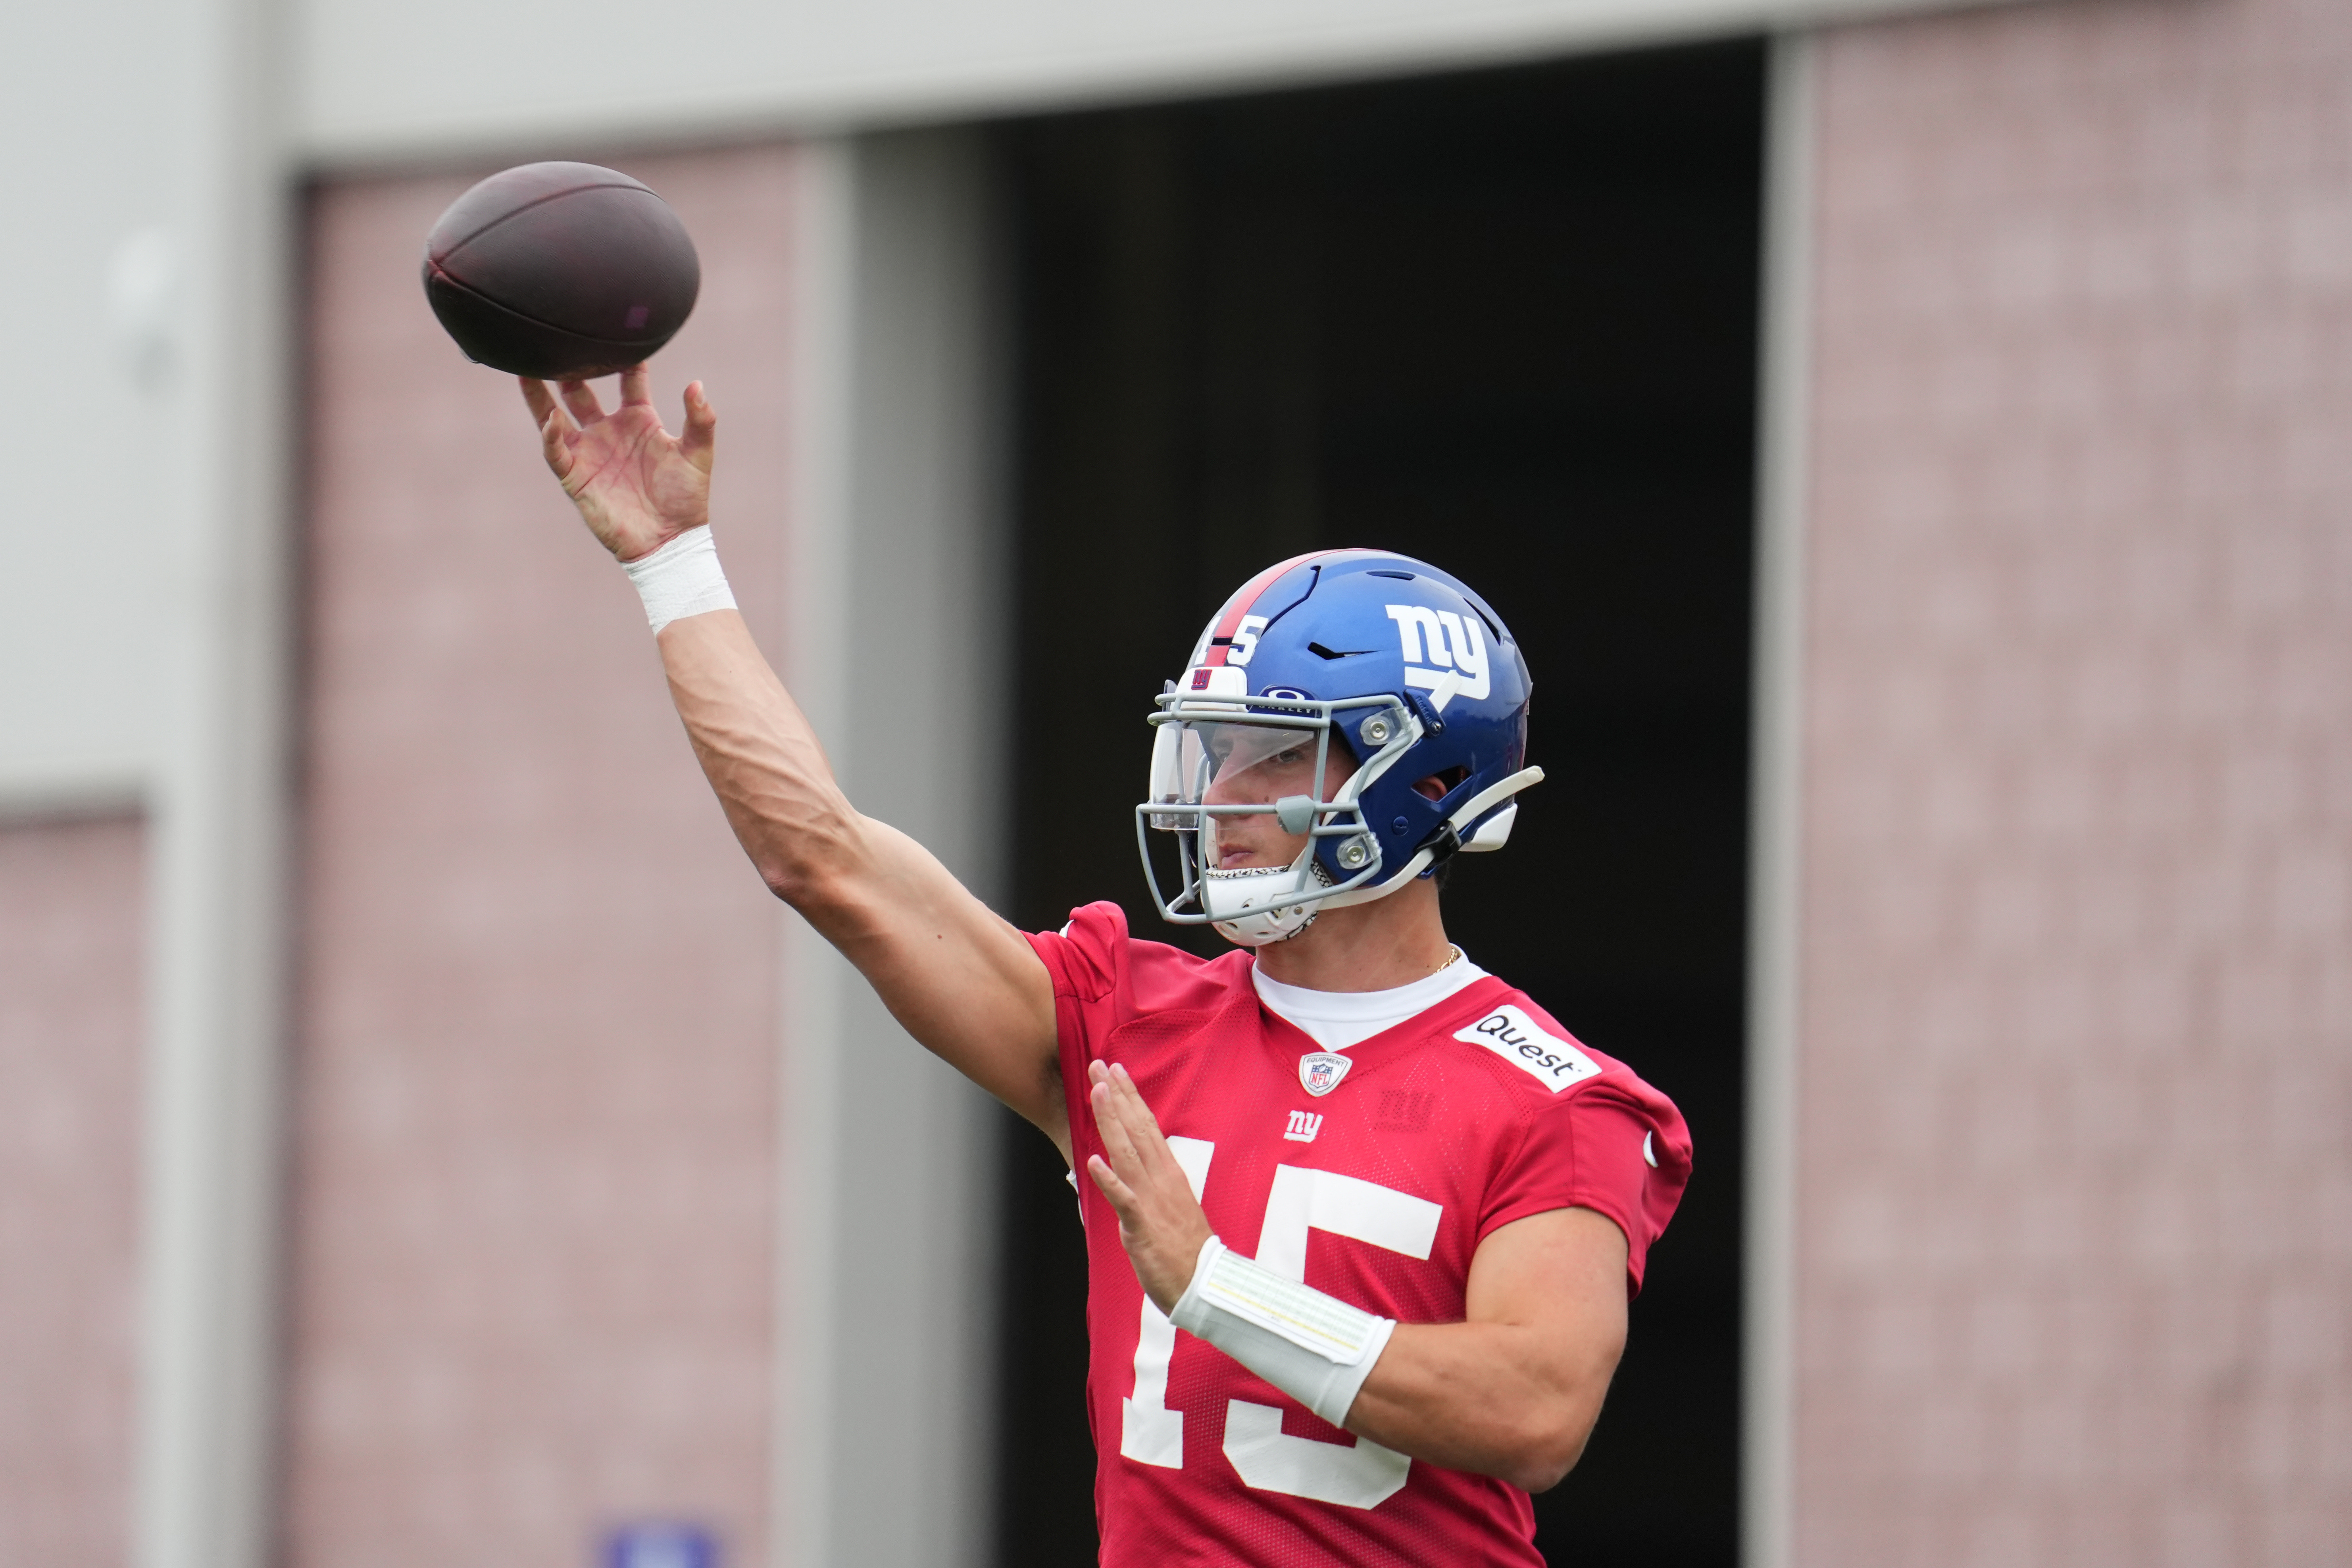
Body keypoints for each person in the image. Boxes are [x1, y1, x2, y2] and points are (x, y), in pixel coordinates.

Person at [519, 367, 1692, 1566]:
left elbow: (1537, 1409)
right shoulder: (1128, 1017)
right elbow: (824, 860)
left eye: (1269, 759)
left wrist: (1214, 1287)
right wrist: (673, 565)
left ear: (1424, 782)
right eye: (1210, 753)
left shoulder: (1554, 1095)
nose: (1217, 802)